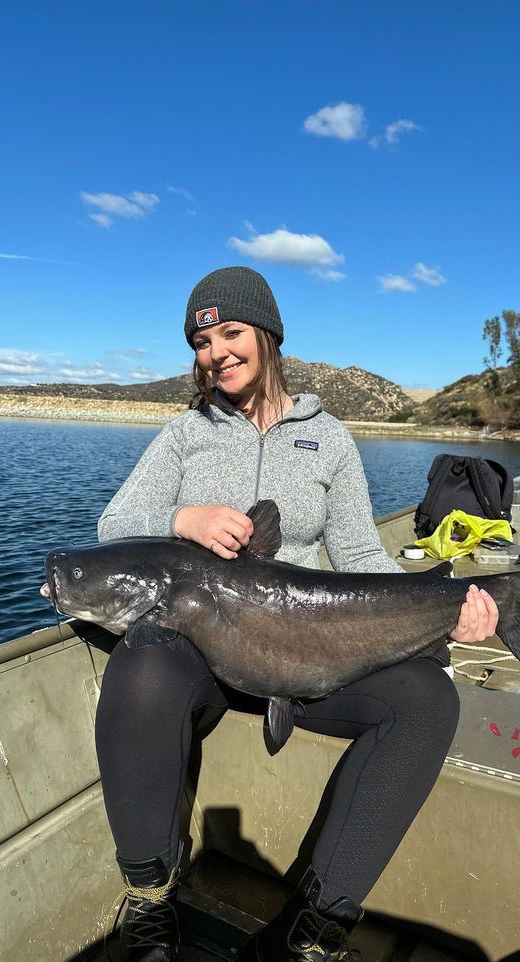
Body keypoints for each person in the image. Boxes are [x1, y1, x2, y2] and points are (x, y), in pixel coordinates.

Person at [94, 266, 499, 962]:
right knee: (141, 665)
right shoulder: (186, 433)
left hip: (305, 658)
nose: (213, 351)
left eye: (229, 332)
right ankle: (151, 898)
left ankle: (315, 926)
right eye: (200, 340)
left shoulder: (331, 439)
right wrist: (182, 518)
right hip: (203, 657)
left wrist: (444, 605)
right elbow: (114, 524)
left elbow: (362, 556)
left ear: (268, 336)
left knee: (430, 699)